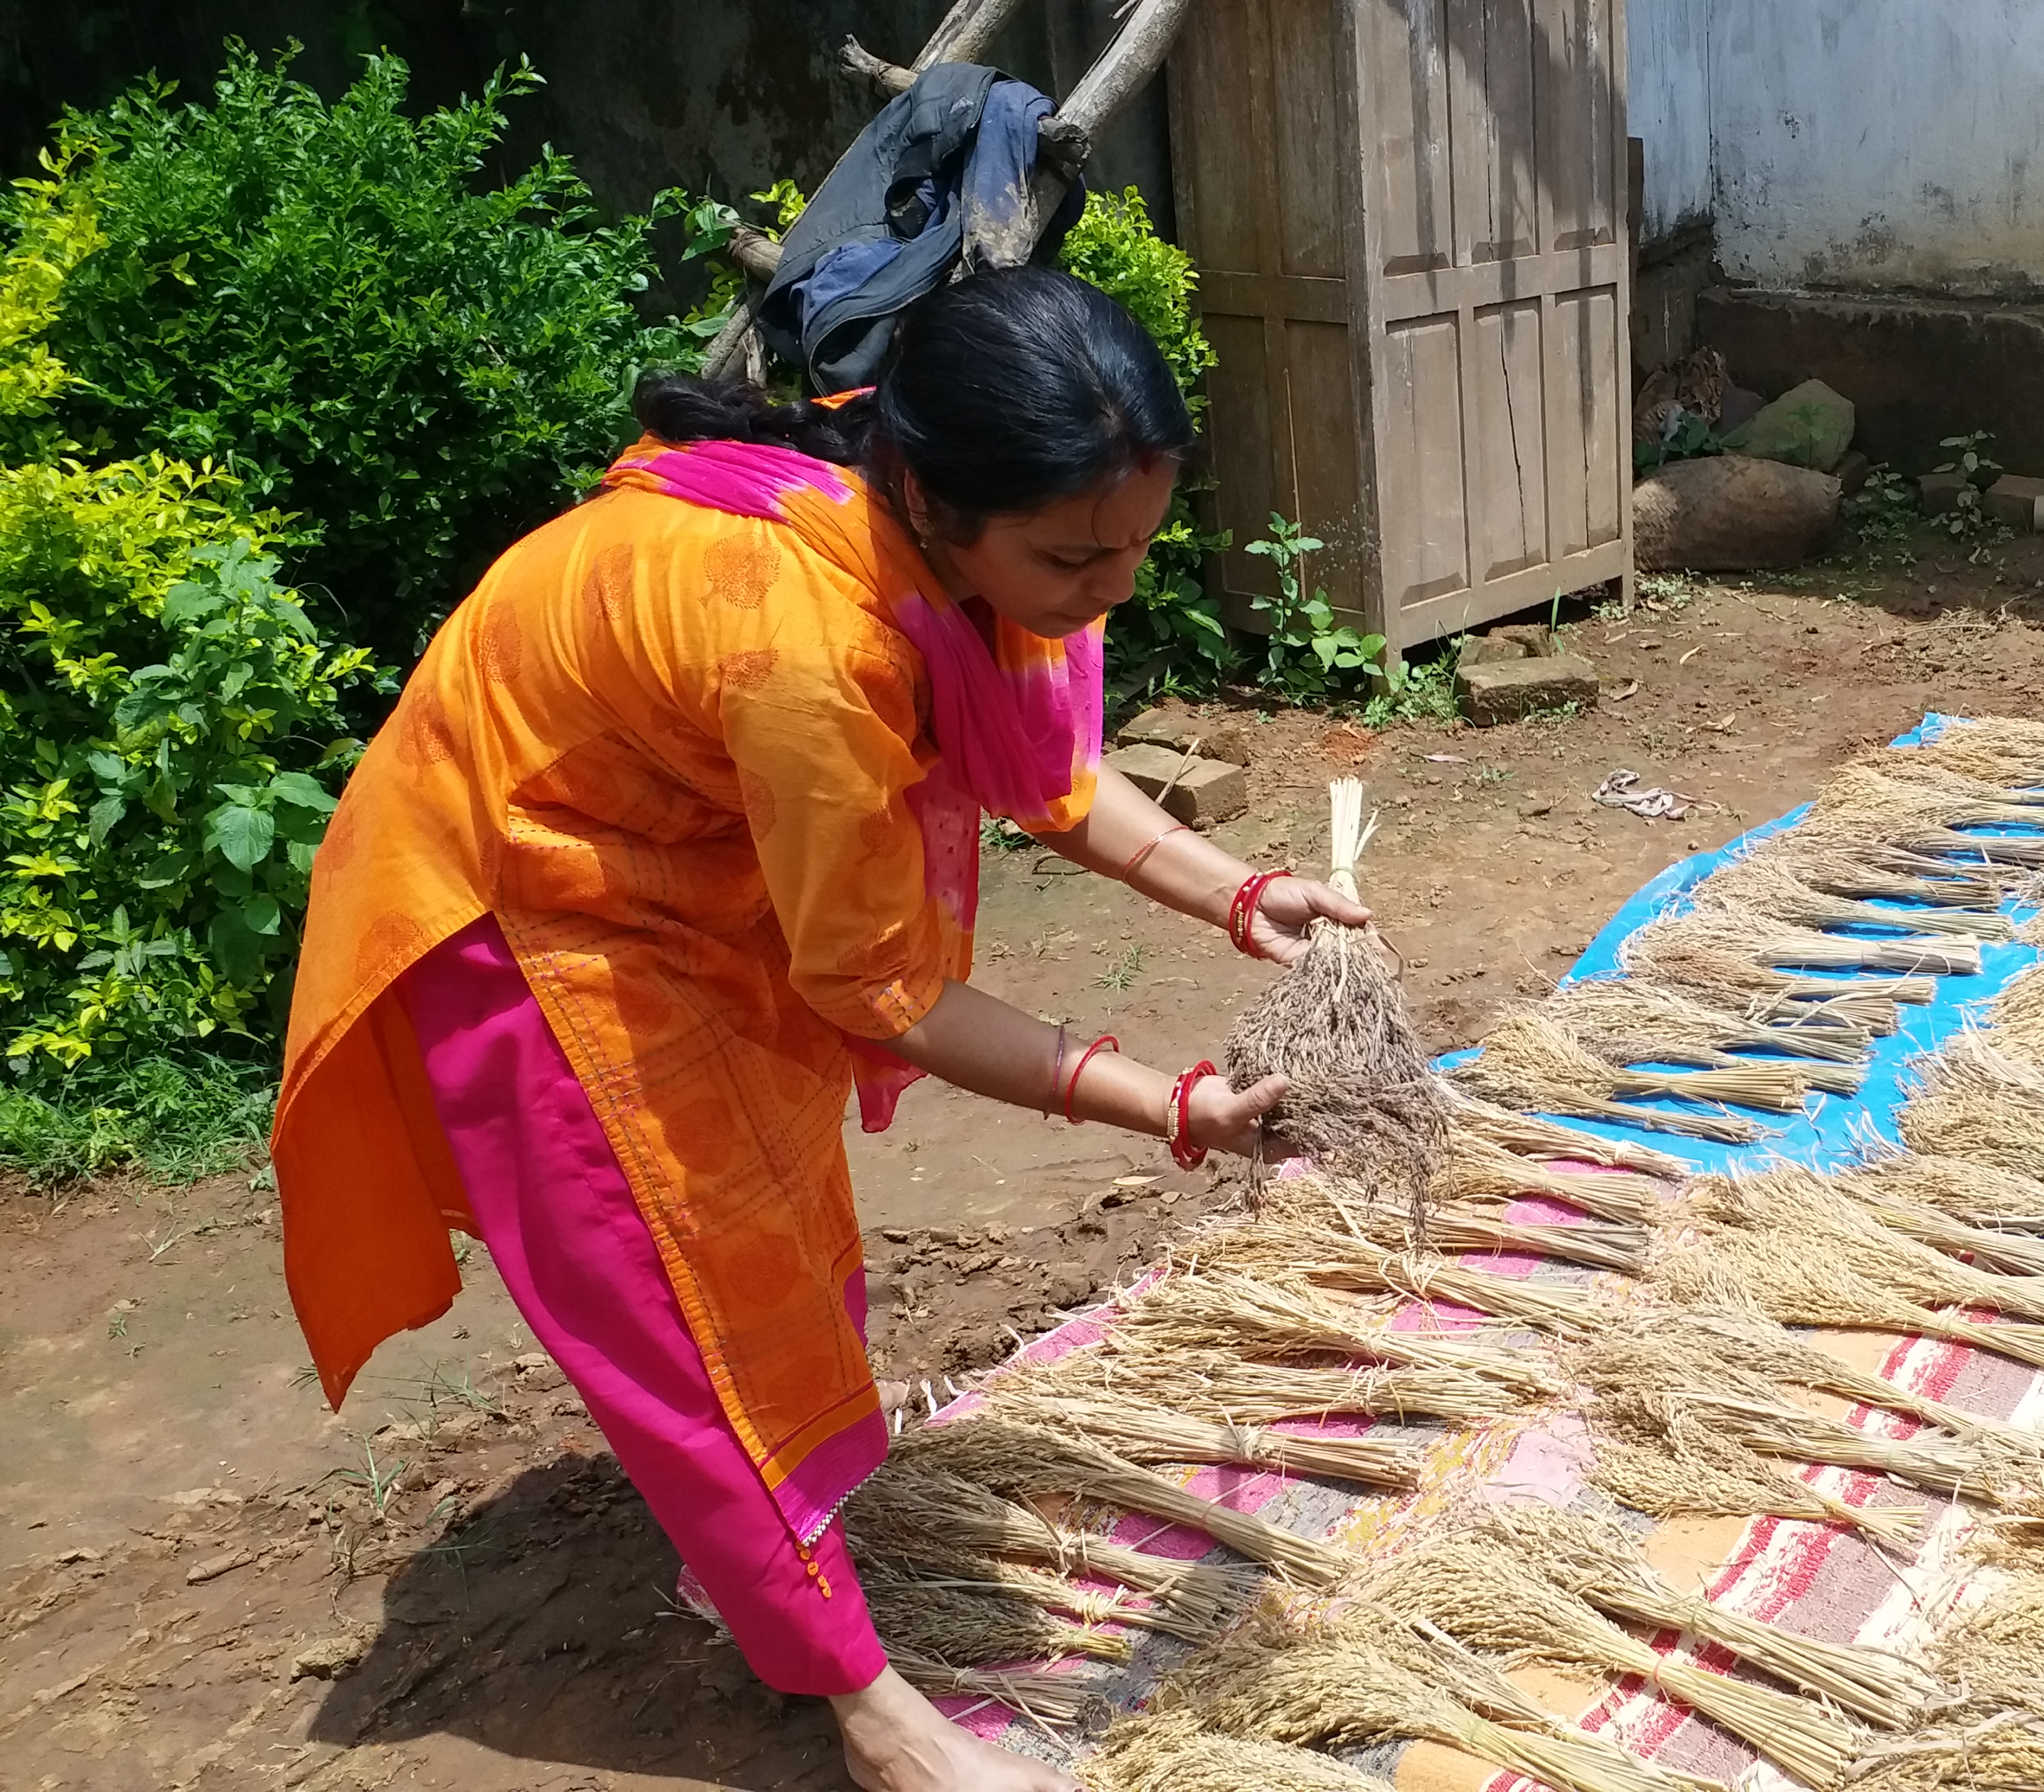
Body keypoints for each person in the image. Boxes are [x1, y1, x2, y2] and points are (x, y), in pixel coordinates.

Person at [270, 266, 1362, 1791]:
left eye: (1134, 549)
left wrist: (1242, 896)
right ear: (930, 493)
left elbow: (1044, 770)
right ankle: (872, 1713)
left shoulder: (927, 535)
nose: (1109, 592)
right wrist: (1172, 1106)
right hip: (522, 900)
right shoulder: (814, 645)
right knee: (681, 1287)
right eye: (1072, 559)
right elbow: (884, 991)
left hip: (680, 860)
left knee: (772, 1232)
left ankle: (772, 1536)